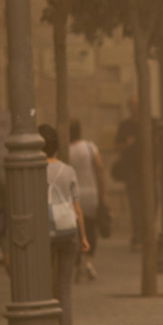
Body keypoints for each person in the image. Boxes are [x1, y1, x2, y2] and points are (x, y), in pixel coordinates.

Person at [40, 125, 90, 325]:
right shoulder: (68, 171)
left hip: (44, 231)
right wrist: (84, 236)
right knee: (64, 286)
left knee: (45, 285)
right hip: (68, 230)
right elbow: (77, 206)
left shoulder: (33, 169)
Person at [67, 120, 108, 282]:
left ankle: (78, 263)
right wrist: (103, 194)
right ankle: (89, 260)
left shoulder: (66, 150)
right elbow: (99, 169)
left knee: (76, 230)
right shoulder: (90, 147)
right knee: (91, 228)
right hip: (91, 194)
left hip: (73, 196)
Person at [113, 97, 144, 248]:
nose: (134, 109)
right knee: (135, 205)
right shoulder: (124, 126)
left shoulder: (150, 122)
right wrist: (126, 144)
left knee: (152, 203)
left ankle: (146, 233)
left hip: (148, 171)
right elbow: (117, 146)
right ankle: (138, 236)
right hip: (131, 171)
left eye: (137, 106)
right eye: (132, 106)